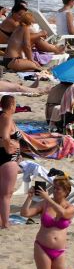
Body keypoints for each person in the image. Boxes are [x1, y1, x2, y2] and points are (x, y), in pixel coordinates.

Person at [22, 175, 74, 269]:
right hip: (42, 247)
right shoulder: (45, 204)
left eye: (58, 189)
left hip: (59, 251)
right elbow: (24, 213)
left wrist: (48, 198)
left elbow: (63, 214)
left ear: (65, 191)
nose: (54, 191)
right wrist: (30, 198)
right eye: (54, 188)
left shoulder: (70, 207)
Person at [0, 95, 21, 228]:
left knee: (1, 194)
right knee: (6, 194)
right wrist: (9, 148)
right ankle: (6, 223)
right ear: (12, 105)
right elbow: (6, 137)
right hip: (8, 159)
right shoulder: (6, 118)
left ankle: (2, 221)